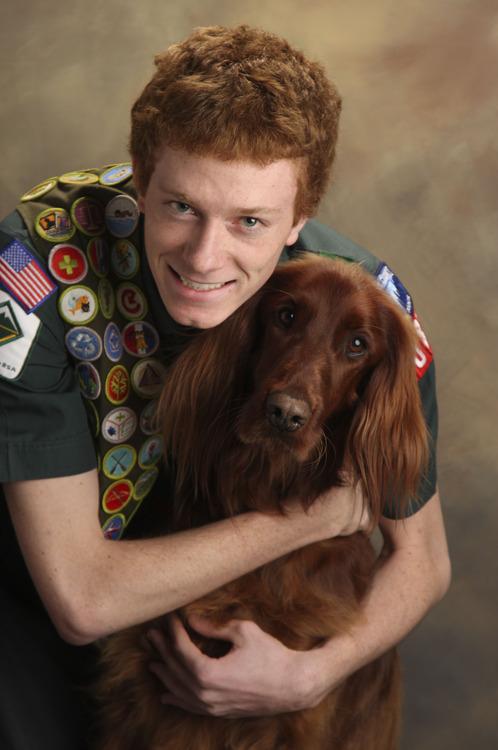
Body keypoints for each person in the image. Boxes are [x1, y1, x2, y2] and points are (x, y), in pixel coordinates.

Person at [0, 24, 450, 750]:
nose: (206, 257)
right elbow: (81, 601)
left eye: (250, 221)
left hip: (212, 605)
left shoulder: (369, 309)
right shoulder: (37, 271)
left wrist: (311, 675)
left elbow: (423, 559)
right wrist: (314, 518)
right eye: (181, 206)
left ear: (299, 219)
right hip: (32, 594)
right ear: (140, 178)